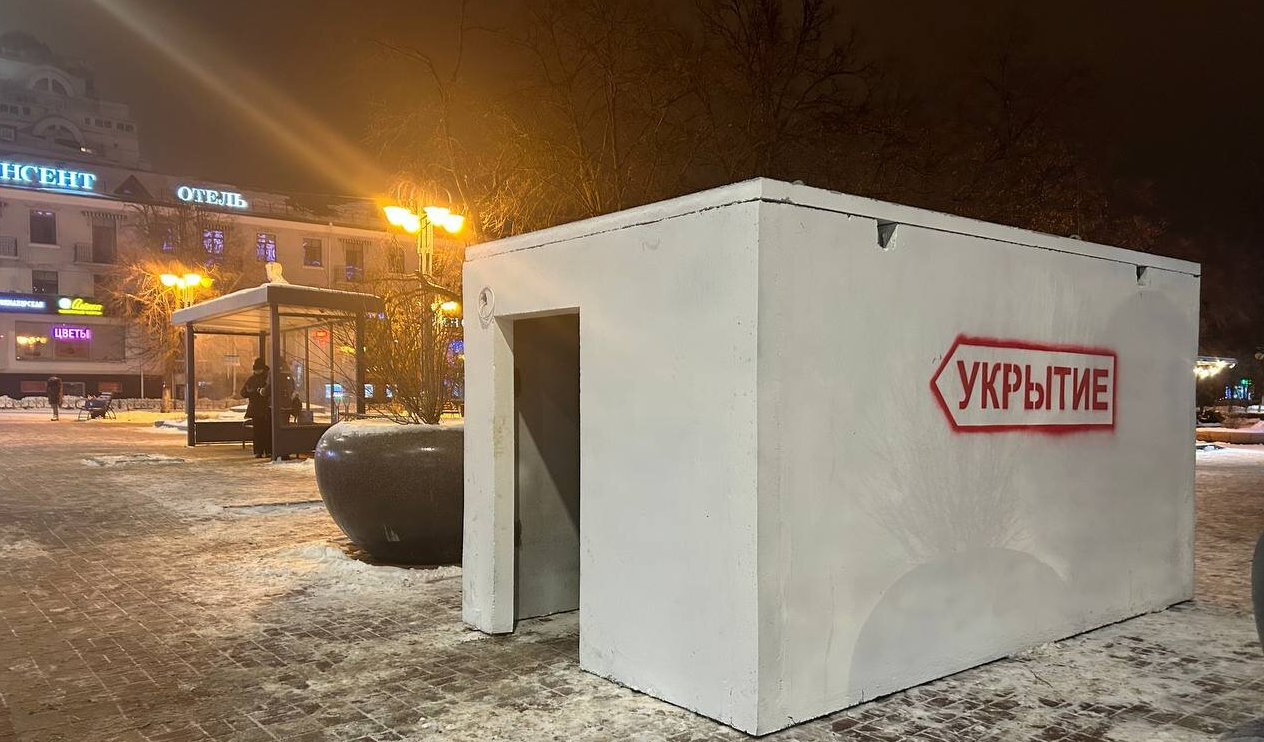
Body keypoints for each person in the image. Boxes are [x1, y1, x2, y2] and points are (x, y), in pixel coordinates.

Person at [241, 358, 272, 458]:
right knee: (260, 431)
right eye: (256, 369)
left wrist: (250, 392)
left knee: (263, 430)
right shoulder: (258, 379)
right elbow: (243, 392)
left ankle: (263, 451)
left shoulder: (266, 378)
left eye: (259, 369)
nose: (257, 371)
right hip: (260, 408)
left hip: (262, 408)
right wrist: (249, 392)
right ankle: (263, 451)